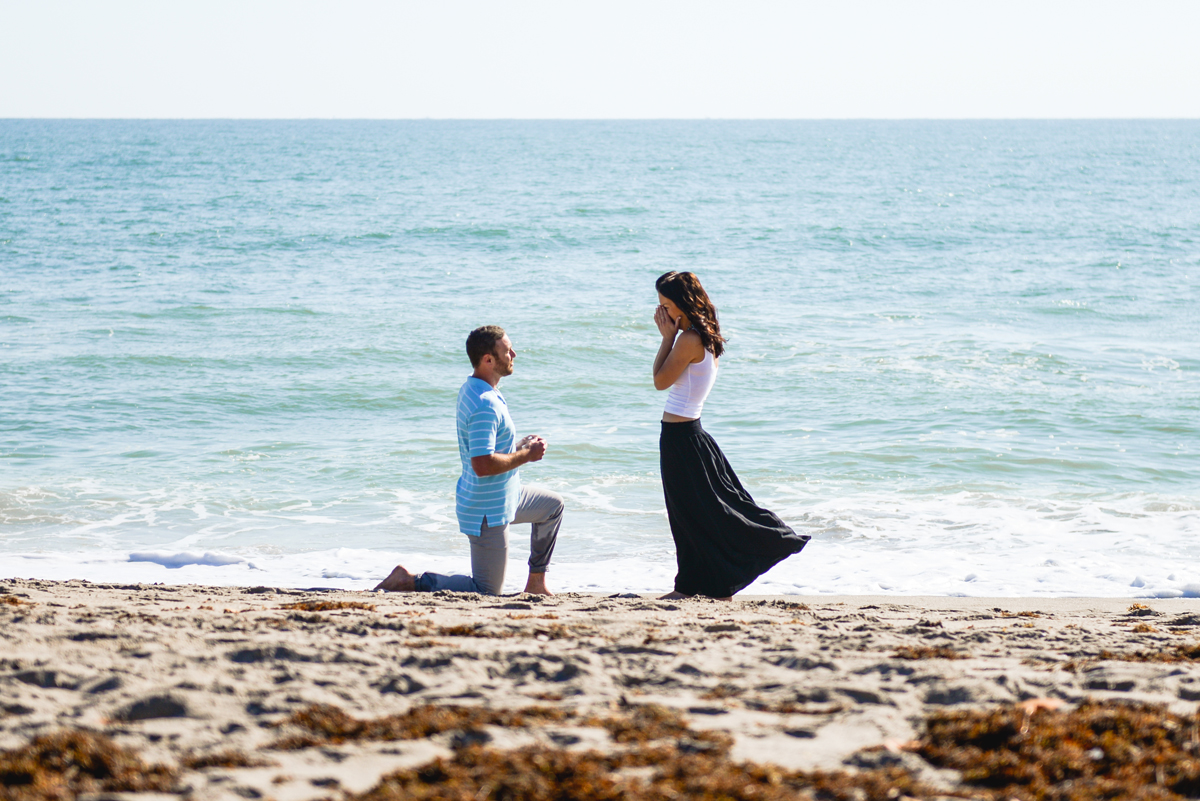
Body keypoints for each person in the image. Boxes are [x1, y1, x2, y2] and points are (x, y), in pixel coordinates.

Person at [652, 271, 809, 599]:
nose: (662, 313)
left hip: (682, 438)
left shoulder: (689, 339)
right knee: (696, 514)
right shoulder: (704, 336)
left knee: (692, 515)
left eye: (666, 305)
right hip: (689, 436)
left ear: (682, 303)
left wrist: (666, 337)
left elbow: (660, 381)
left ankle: (691, 587)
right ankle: (698, 584)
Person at [375, 325, 564, 595]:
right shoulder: (485, 402)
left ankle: (536, 583)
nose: (514, 353)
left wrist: (518, 445)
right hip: (487, 509)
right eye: (507, 350)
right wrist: (527, 455)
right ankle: (410, 580)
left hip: (507, 495)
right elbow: (482, 464)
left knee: (552, 507)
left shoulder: (477, 388)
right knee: (487, 590)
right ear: (488, 359)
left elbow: (486, 446)